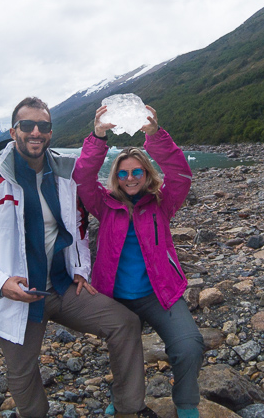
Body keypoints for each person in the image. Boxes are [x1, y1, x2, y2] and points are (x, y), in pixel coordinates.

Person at [0, 97, 158, 418]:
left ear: (50, 132)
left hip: (63, 287)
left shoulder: (64, 176)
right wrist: (1, 283)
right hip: (17, 295)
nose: (36, 132)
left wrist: (80, 268)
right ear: (13, 131)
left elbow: (78, 225)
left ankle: (129, 408)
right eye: (27, 125)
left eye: (43, 126)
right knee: (22, 373)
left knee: (124, 323)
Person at [73, 105, 205, 418]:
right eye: (123, 172)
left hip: (158, 294)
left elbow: (181, 172)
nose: (130, 178)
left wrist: (155, 135)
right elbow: (81, 177)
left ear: (146, 174)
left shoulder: (163, 202)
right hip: (116, 297)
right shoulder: (103, 205)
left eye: (136, 172)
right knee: (123, 353)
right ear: (116, 177)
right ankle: (123, 399)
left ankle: (186, 404)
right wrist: (98, 136)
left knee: (189, 346)